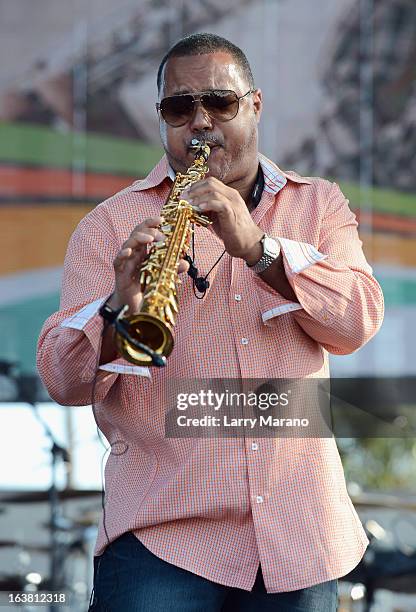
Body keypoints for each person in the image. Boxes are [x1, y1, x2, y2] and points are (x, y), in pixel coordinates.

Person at [37, 33, 384, 611]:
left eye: (220, 103)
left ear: (255, 105)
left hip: (299, 529)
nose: (200, 122)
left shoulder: (319, 206)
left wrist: (262, 252)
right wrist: (117, 309)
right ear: (163, 119)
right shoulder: (108, 226)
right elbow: (65, 383)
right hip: (164, 533)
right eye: (179, 108)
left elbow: (356, 323)